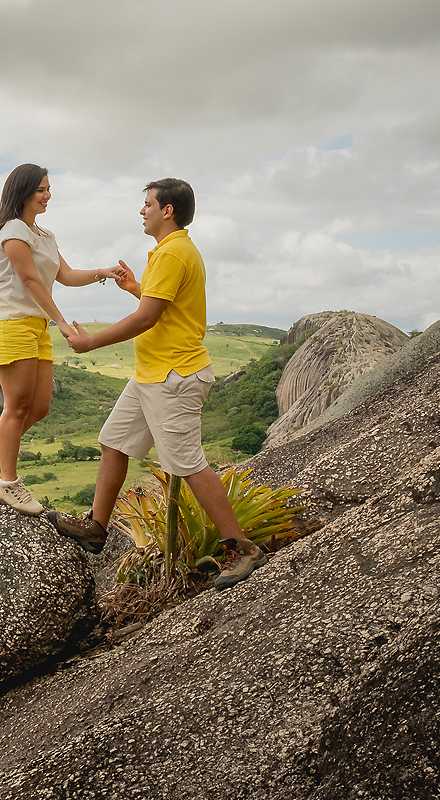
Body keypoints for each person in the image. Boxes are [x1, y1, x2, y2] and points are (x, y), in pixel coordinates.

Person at [57, 178, 268, 589]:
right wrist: (137, 287)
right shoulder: (169, 252)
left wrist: (91, 342)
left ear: (167, 210)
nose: (142, 211)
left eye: (147, 204)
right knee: (113, 441)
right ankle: (97, 528)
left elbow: (148, 318)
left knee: (188, 464)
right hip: (152, 374)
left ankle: (242, 548)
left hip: (174, 376)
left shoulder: (173, 253)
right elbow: (164, 307)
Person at [0, 164, 124, 516]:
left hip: (34, 327)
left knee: (39, 408)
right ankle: (8, 482)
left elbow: (63, 275)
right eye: (40, 189)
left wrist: (103, 272)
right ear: (22, 191)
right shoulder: (13, 230)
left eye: (49, 189)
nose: (47, 195)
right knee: (17, 406)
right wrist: (63, 323)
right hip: (10, 324)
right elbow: (30, 280)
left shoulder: (44, 235)